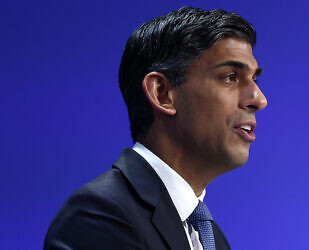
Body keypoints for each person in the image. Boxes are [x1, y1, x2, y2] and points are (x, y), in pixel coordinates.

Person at [44, 6, 267, 250]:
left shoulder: (211, 237)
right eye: (230, 77)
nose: (259, 99)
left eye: (254, 79)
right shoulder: (100, 217)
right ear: (162, 94)